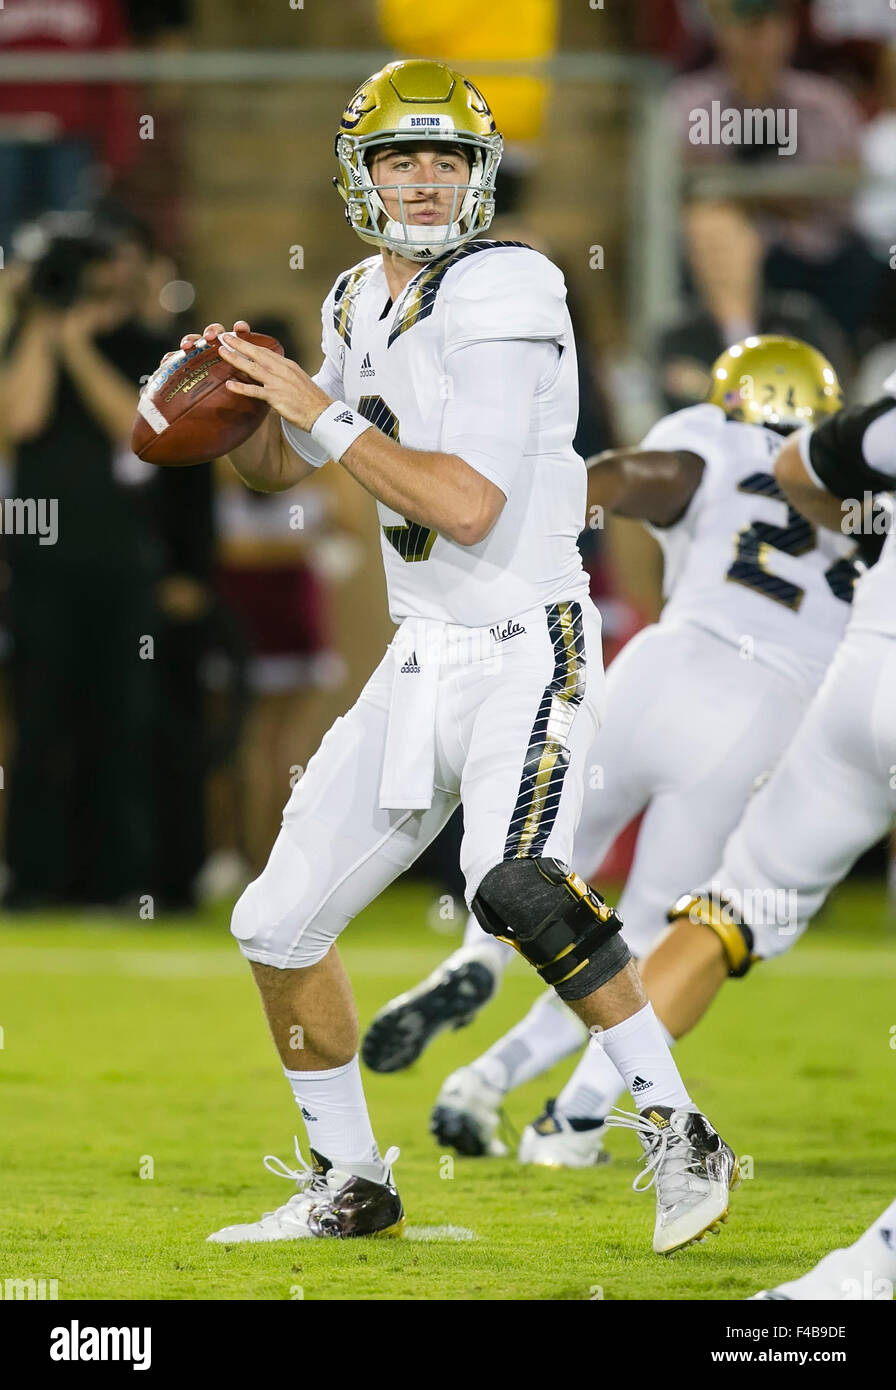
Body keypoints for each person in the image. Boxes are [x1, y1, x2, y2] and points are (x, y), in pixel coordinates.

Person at [171, 59, 737, 1253]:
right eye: (399, 158)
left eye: (446, 159)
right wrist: (235, 406)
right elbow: (285, 462)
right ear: (358, 170)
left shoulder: (508, 285)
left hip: (524, 642)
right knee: (274, 921)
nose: (423, 182)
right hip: (422, 655)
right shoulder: (350, 298)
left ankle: (678, 1128)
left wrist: (312, 413)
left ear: (478, 175)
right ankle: (350, 1179)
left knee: (514, 884)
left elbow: (468, 504)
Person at [360, 337, 863, 1168]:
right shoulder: (853, 479)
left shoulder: (710, 436)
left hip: (659, 669)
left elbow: (633, 475)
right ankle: (576, 1120)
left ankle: (479, 1004)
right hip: (768, 709)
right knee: (653, 947)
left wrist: (548, 504)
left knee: (540, 868)